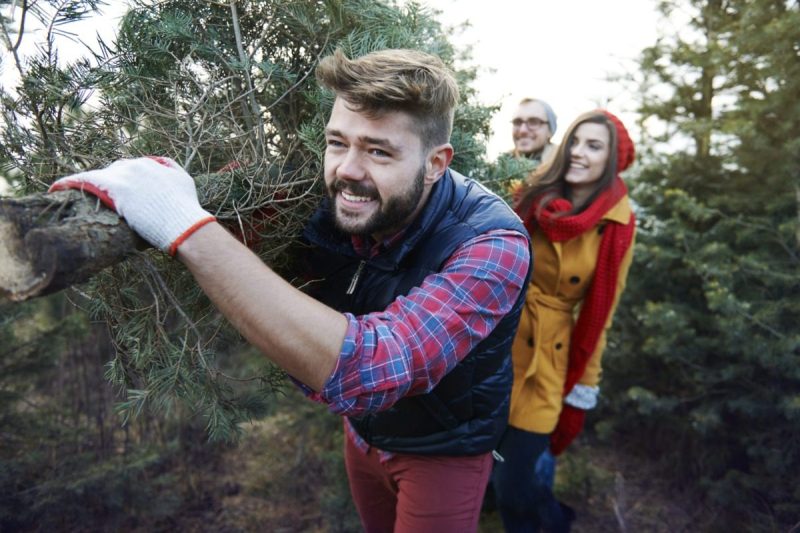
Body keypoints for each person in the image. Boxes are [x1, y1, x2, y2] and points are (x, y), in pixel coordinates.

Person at [49, 48, 532, 532]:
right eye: (337, 142)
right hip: (361, 437)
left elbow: (375, 366)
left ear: (436, 163)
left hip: (443, 451)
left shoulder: (492, 244)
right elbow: (246, 209)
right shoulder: (334, 195)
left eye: (379, 151)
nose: (347, 170)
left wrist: (185, 226)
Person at [492, 109, 637, 532]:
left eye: (593, 146)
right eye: (575, 141)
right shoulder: (528, 192)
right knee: (488, 469)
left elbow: (600, 316)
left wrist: (582, 392)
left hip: (547, 364)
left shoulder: (618, 226)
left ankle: (553, 522)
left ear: (610, 160)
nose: (578, 152)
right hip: (498, 345)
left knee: (514, 481)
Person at [509, 98, 558, 164]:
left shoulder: (565, 166)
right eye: (518, 122)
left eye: (534, 122)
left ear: (550, 131)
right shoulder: (498, 169)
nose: (523, 130)